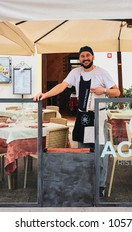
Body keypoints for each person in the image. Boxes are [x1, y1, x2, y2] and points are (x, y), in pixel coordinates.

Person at [33, 46, 120, 197]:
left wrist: (104, 90)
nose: (85, 58)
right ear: (80, 59)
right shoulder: (75, 73)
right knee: (83, 152)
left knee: (100, 153)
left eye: (88, 55)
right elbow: (62, 86)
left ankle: (100, 186)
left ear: (93, 57)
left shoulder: (101, 72)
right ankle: (85, 183)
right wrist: (45, 95)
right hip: (83, 117)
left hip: (98, 116)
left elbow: (117, 91)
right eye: (82, 56)